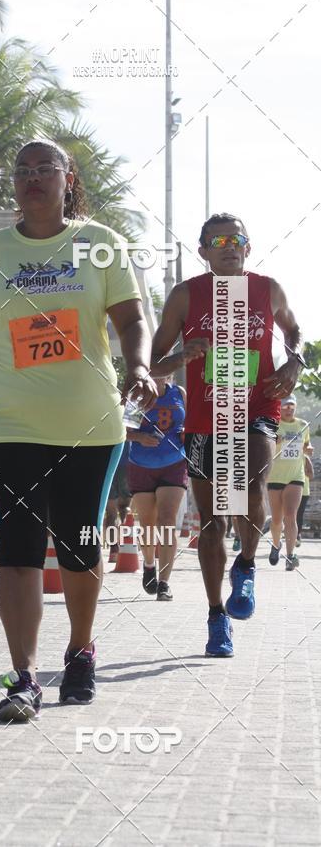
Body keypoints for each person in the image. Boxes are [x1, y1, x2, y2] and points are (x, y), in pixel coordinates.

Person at [0, 139, 157, 722]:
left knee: (79, 548)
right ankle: (22, 676)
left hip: (89, 424)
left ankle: (80, 650)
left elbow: (132, 317)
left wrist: (140, 367)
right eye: (21, 170)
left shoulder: (99, 244)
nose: (32, 179)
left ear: (66, 178)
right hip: (7, 424)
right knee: (20, 553)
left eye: (44, 169)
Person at [150, 213, 303, 657]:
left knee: (252, 485)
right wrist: (180, 355)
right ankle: (217, 616)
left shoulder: (268, 288)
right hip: (203, 416)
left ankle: (248, 565)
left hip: (258, 405)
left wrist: (294, 363)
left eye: (236, 238)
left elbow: (294, 332)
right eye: (217, 240)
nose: (228, 245)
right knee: (213, 522)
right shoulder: (186, 295)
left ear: (248, 247)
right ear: (203, 251)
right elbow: (152, 361)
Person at [125, 374, 187, 601]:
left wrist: (186, 432)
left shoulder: (179, 393)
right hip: (141, 464)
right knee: (148, 524)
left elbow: (191, 423)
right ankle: (149, 564)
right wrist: (139, 436)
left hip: (175, 462)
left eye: (166, 370)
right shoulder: (137, 394)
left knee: (167, 520)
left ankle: (164, 583)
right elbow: (121, 431)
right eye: (155, 370)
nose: (161, 375)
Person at [267, 395, 310, 570]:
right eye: (285, 406)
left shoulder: (303, 425)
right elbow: (264, 446)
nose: (288, 409)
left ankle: (291, 555)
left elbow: (305, 445)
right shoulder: (273, 424)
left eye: (291, 405)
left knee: (290, 514)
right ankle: (276, 545)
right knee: (277, 520)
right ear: (279, 407)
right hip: (275, 476)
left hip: (295, 476)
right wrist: (272, 441)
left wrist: (307, 449)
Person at [104, 439, 131, 558]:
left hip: (109, 464)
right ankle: (121, 544)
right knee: (124, 508)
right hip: (125, 463)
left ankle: (114, 549)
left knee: (113, 512)